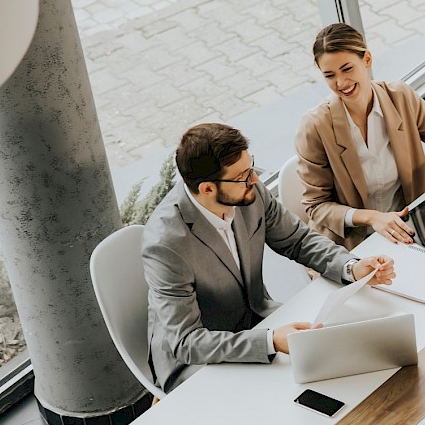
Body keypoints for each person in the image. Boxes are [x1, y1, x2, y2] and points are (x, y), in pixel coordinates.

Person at [142, 122, 394, 392]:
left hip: (257, 320)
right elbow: (187, 343)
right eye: (242, 176)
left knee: (347, 366)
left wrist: (352, 268)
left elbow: (298, 240)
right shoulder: (166, 244)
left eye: (251, 167)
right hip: (197, 361)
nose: (255, 180)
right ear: (207, 189)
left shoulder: (248, 192)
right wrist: (270, 341)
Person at [293, 23, 425, 250]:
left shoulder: (400, 97)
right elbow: (316, 206)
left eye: (347, 69)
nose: (341, 83)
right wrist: (371, 217)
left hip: (411, 230)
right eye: (330, 76)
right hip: (351, 244)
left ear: (367, 60)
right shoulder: (314, 126)